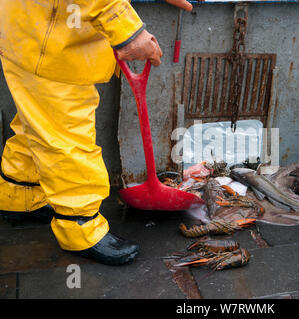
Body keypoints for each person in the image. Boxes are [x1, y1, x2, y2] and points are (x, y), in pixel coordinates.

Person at [0, 0, 192, 265]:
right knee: (67, 140)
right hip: (51, 41)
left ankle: (19, 194)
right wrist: (129, 32)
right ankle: (79, 228)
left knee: (39, 123)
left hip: (32, 30)